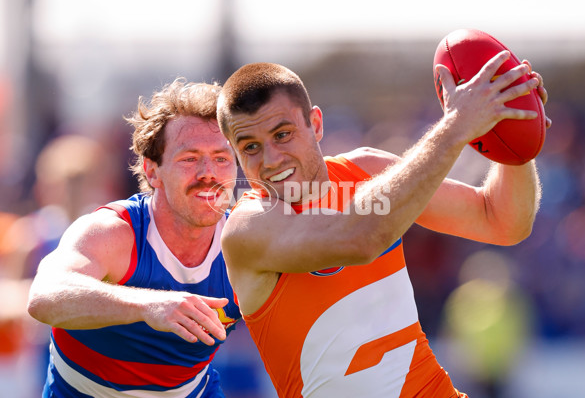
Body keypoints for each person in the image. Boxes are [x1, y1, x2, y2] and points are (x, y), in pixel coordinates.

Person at [215, 52, 550, 398]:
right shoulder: (247, 228)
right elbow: (362, 237)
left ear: (315, 124)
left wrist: (513, 136)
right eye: (250, 147)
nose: (271, 159)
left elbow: (502, 221)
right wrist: (459, 124)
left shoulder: (367, 170)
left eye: (282, 134)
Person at [27, 78, 242, 397]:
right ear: (152, 171)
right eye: (189, 158)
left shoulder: (245, 242)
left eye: (222, 158)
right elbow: (45, 295)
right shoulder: (116, 230)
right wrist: (149, 304)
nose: (208, 172)